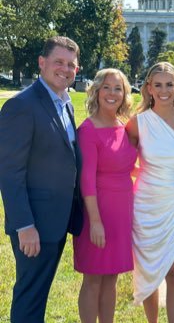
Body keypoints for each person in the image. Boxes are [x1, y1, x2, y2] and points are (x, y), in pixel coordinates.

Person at [0, 36, 83, 323]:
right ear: (42, 63)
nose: (65, 69)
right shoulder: (22, 106)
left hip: (56, 222)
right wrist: (25, 226)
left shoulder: (65, 103)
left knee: (38, 293)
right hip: (34, 224)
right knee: (30, 295)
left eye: (70, 64)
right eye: (58, 62)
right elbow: (10, 173)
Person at [127, 62, 174, 323]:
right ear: (149, 88)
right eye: (158, 85)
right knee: (148, 272)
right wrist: (140, 174)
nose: (164, 90)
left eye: (170, 84)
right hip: (144, 205)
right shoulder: (138, 123)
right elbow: (119, 163)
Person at [73, 68, 137, 323]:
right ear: (97, 91)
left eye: (118, 88)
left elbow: (128, 165)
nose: (112, 93)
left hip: (123, 212)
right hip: (97, 212)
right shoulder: (88, 130)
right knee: (93, 277)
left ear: (125, 93)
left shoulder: (126, 126)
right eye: (107, 88)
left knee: (112, 277)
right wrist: (96, 222)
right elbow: (86, 179)